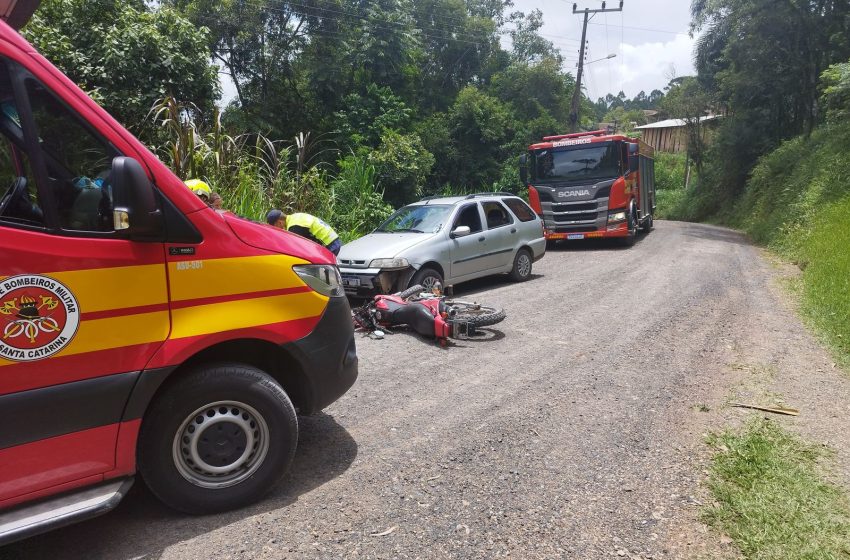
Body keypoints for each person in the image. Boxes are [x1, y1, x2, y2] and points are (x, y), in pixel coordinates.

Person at [266, 208, 342, 255]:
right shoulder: (296, 217)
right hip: (333, 239)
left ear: (279, 222)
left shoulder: (294, 227)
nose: (276, 229)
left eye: (274, 226)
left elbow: (298, 249)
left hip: (330, 244)